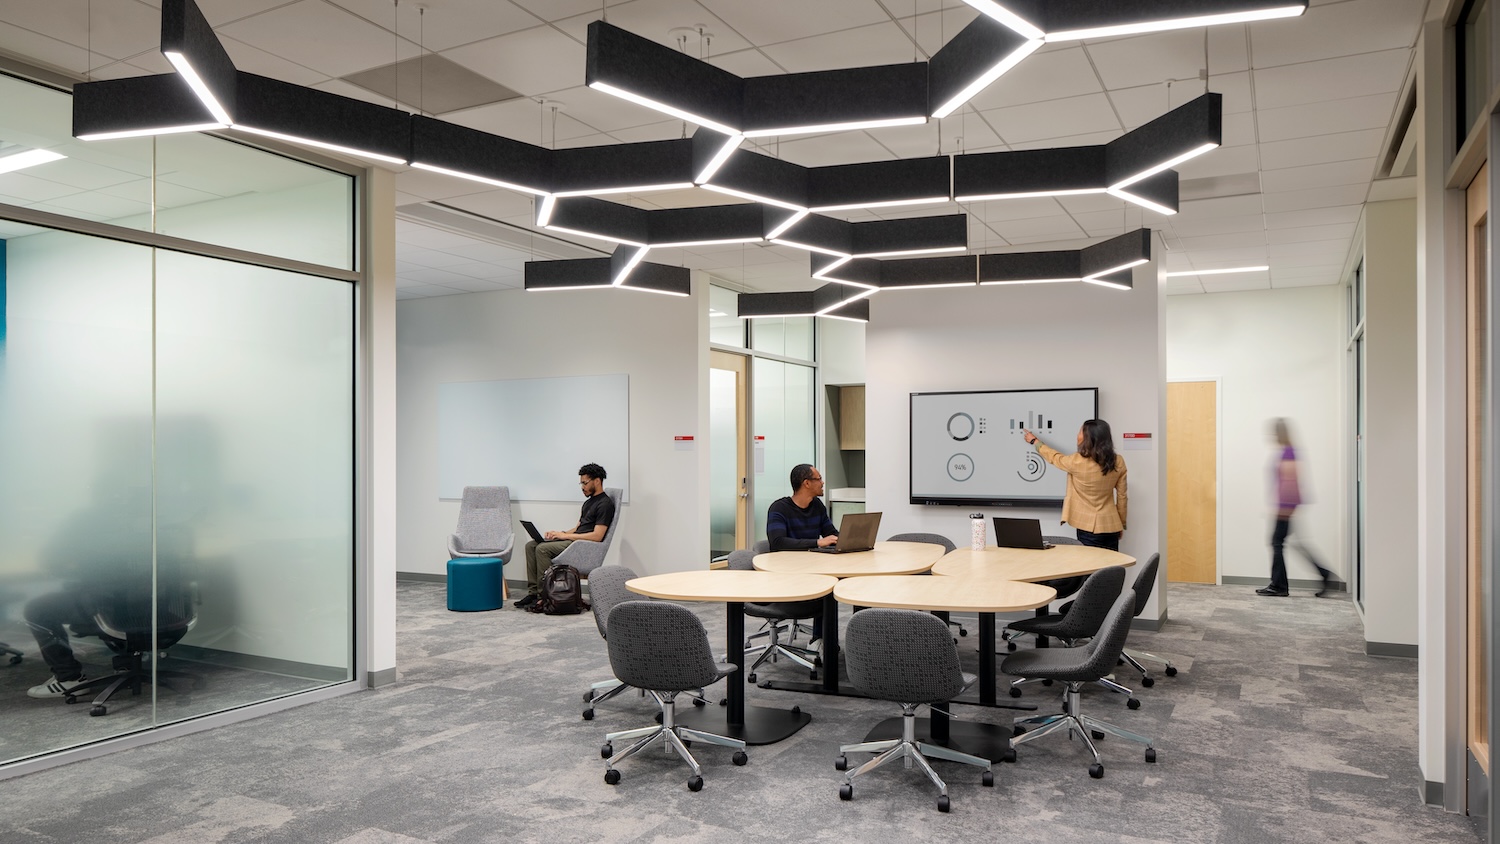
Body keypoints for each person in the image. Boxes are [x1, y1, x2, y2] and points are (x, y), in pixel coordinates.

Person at [513, 463, 614, 610]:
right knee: (531, 545)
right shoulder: (588, 503)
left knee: (542, 549)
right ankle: (533, 593)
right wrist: (560, 533)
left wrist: (566, 536)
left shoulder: (605, 504)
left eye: (585, 483)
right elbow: (579, 528)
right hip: (575, 540)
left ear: (597, 481)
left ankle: (544, 597)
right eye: (581, 483)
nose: (582, 487)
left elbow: (597, 536)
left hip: (582, 546)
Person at [1023, 419, 1128, 551]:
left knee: (1090, 569)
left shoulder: (1076, 462)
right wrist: (1120, 524)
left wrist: (1035, 442)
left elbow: (1054, 457)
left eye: (1080, 431)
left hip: (1087, 528)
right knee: (1111, 568)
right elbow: (1122, 496)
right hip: (1111, 525)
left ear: (1088, 438)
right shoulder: (1118, 461)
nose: (1077, 435)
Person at [1257, 419, 1335, 597]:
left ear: (1279, 433)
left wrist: (1284, 508)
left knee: (1277, 542)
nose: (1271, 436)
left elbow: (1290, 482)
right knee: (1290, 543)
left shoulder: (1288, 452)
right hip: (1286, 505)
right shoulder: (1288, 451)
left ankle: (1279, 586)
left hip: (1286, 506)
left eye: (1273, 433)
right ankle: (1322, 573)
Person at [765, 464, 838, 551]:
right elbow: (778, 542)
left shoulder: (817, 505)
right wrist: (817, 542)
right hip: (785, 562)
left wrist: (848, 540)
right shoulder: (779, 508)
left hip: (811, 560)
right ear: (807, 483)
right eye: (819, 479)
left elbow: (831, 533)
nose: (822, 483)